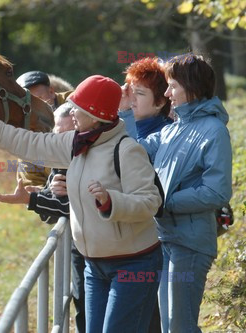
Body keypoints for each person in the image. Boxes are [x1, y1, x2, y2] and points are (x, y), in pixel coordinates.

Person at [0, 74, 163, 332]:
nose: (71, 114)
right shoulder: (75, 143)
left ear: (96, 117)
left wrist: (110, 201)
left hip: (134, 264)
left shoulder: (127, 150)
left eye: (78, 110)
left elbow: (151, 202)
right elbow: (30, 142)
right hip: (94, 265)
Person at [138, 54, 232, 333]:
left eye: (173, 86)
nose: (167, 94)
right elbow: (133, 149)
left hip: (190, 244)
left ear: (193, 87)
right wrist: (120, 113)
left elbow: (217, 192)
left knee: (179, 326)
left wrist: (164, 203)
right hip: (164, 237)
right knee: (170, 327)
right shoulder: (173, 129)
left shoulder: (214, 131)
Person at [0, 103, 86, 332]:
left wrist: (34, 199)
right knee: (82, 304)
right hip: (79, 248)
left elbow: (77, 208)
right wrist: (44, 194)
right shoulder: (59, 159)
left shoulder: (93, 156)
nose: (59, 140)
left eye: (66, 134)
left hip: (103, 252)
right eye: (56, 134)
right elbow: (51, 213)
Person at [119, 57, 172, 333]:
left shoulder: (163, 133)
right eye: (129, 91)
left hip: (154, 238)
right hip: (130, 237)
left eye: (140, 94)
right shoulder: (126, 124)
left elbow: (134, 158)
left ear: (162, 101)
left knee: (152, 315)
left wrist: (124, 115)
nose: (132, 99)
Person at [15, 71, 72, 186]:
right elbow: (33, 185)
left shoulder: (75, 102)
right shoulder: (26, 139)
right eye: (29, 103)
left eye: (40, 99)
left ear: (51, 92)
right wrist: (50, 191)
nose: (36, 108)